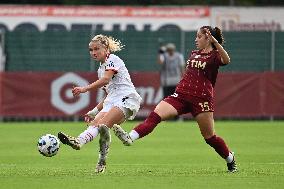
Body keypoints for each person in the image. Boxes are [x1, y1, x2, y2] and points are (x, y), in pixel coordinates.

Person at [112, 26, 237, 173]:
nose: (196, 39)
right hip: (181, 95)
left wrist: (216, 43)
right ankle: (130, 137)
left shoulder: (215, 56)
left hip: (201, 99)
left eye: (199, 37)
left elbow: (226, 60)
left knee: (209, 137)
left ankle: (230, 158)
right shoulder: (194, 53)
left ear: (208, 38)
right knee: (155, 116)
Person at [57, 34, 142, 173]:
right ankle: (86, 148)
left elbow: (106, 80)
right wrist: (94, 111)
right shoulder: (100, 70)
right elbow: (109, 95)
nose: (93, 52)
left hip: (127, 98)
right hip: (113, 100)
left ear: (106, 48)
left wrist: (84, 88)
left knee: (103, 124)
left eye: (97, 49)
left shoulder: (113, 59)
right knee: (97, 123)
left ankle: (86, 146)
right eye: (91, 50)